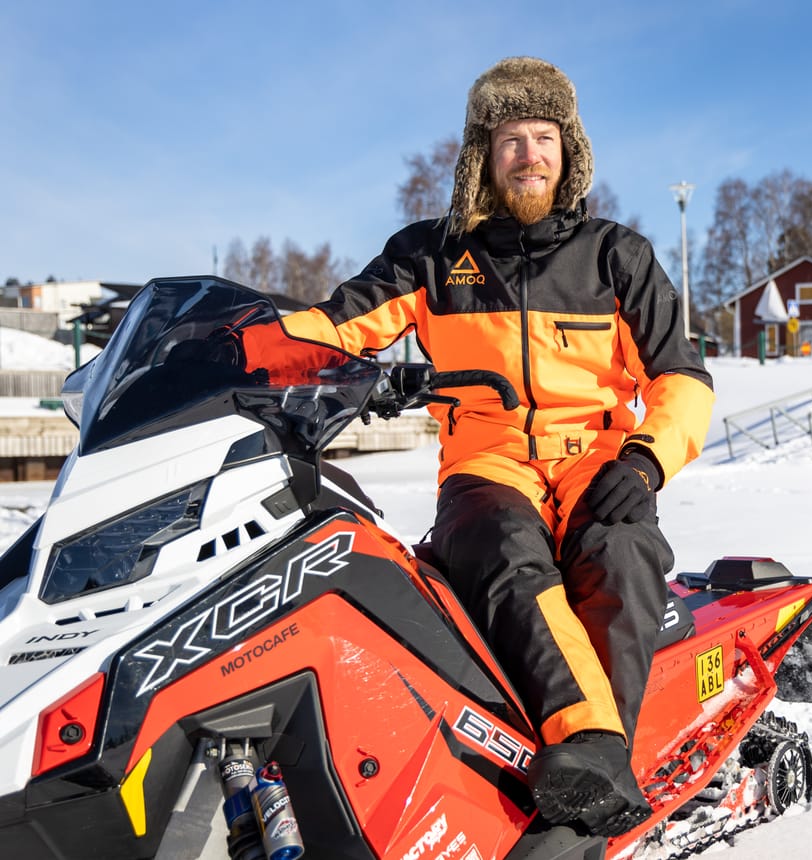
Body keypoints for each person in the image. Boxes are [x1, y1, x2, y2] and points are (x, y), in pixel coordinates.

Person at [260, 57, 714, 837]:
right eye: (511, 140)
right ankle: (594, 749)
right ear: (483, 155)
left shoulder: (617, 255)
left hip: (594, 457)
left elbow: (681, 376)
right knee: (501, 551)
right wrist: (237, 344)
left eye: (545, 138)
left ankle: (594, 776)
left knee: (621, 553)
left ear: (569, 153)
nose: (529, 155)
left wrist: (645, 461)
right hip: (487, 460)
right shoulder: (431, 255)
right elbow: (333, 328)